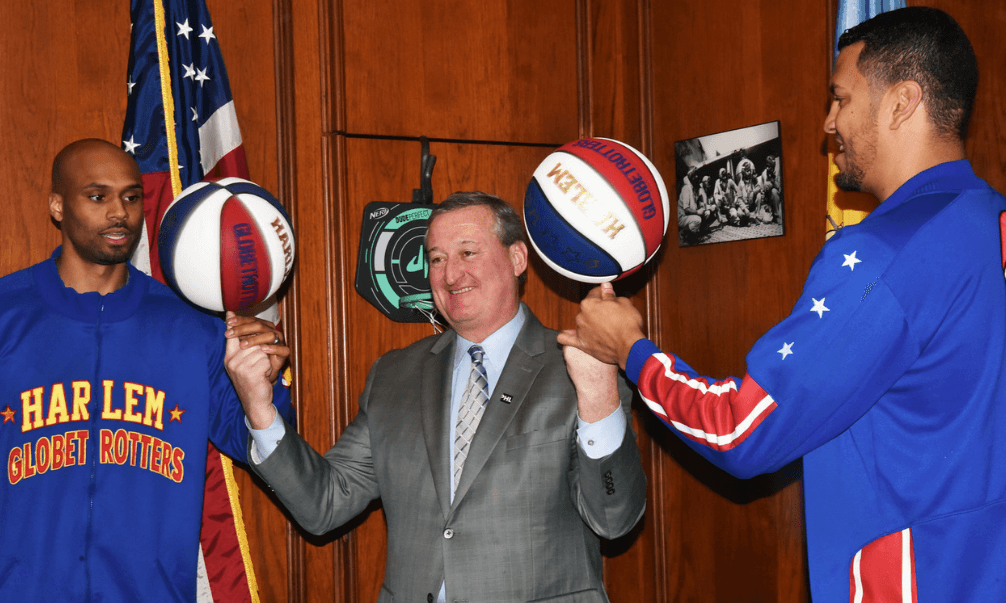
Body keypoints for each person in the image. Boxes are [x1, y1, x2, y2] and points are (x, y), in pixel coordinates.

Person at [559, 7, 1005, 602]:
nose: (828, 121)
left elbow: (740, 432)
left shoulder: (883, 254)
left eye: (841, 98)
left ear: (902, 102)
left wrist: (631, 350)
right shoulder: (986, 217)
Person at [226, 192, 647, 603]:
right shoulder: (394, 376)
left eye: (468, 253)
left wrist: (597, 395)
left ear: (517, 259)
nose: (450, 275)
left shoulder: (582, 367)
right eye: (437, 258)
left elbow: (614, 519)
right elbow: (324, 504)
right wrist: (260, 408)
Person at [0, 139, 291, 602]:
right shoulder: (7, 315)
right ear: (57, 206)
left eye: (131, 197)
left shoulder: (193, 328)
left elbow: (265, 452)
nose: (119, 212)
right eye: (97, 196)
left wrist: (266, 386)